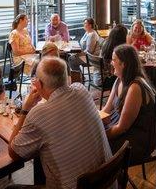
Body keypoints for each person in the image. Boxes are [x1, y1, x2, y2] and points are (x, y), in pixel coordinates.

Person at [9, 58, 112, 189]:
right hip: (107, 180)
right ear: (66, 78)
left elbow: (13, 153)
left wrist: (25, 109)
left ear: (39, 84)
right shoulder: (82, 91)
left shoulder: (38, 114)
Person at [102, 44, 156, 164]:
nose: (111, 63)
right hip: (121, 128)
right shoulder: (119, 79)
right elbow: (106, 110)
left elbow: (122, 128)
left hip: (137, 140)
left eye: (114, 60)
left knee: (96, 149)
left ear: (124, 64)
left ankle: (110, 180)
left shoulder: (135, 87)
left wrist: (100, 136)